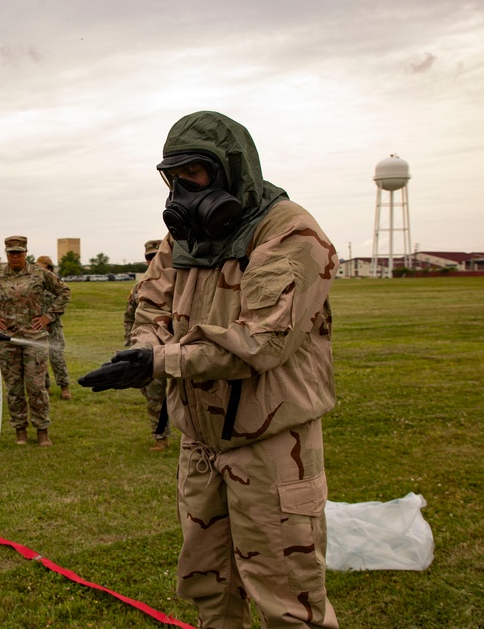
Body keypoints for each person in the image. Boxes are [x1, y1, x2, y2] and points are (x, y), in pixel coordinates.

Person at [79, 111, 339, 628]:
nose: (180, 191)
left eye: (192, 175)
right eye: (172, 178)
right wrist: (143, 348)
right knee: (209, 587)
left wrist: (161, 360)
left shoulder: (290, 232)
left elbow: (260, 343)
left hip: (270, 446)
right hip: (200, 442)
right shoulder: (186, 237)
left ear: (229, 170)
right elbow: (150, 306)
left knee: (287, 599)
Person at [0, 236, 70, 446]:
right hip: (8, 339)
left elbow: (64, 291)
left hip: (34, 338)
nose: (15, 256)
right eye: (11, 253)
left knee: (36, 386)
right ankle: (20, 430)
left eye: (19, 252)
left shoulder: (40, 273)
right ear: (6, 254)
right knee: (14, 388)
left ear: (26, 252)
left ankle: (42, 430)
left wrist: (48, 317)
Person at [122, 240, 170, 451]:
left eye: (156, 256)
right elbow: (130, 318)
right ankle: (160, 437)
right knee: (154, 395)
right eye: (150, 257)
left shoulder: (185, 282)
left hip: (183, 350)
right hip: (152, 350)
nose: (153, 261)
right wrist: (131, 346)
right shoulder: (139, 287)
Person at [34, 256, 72, 400]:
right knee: (40, 357)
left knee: (56, 357)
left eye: (41, 267)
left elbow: (62, 303)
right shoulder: (34, 285)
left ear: (49, 269)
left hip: (54, 326)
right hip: (37, 327)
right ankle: (46, 386)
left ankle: (64, 386)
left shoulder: (57, 285)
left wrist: (49, 319)